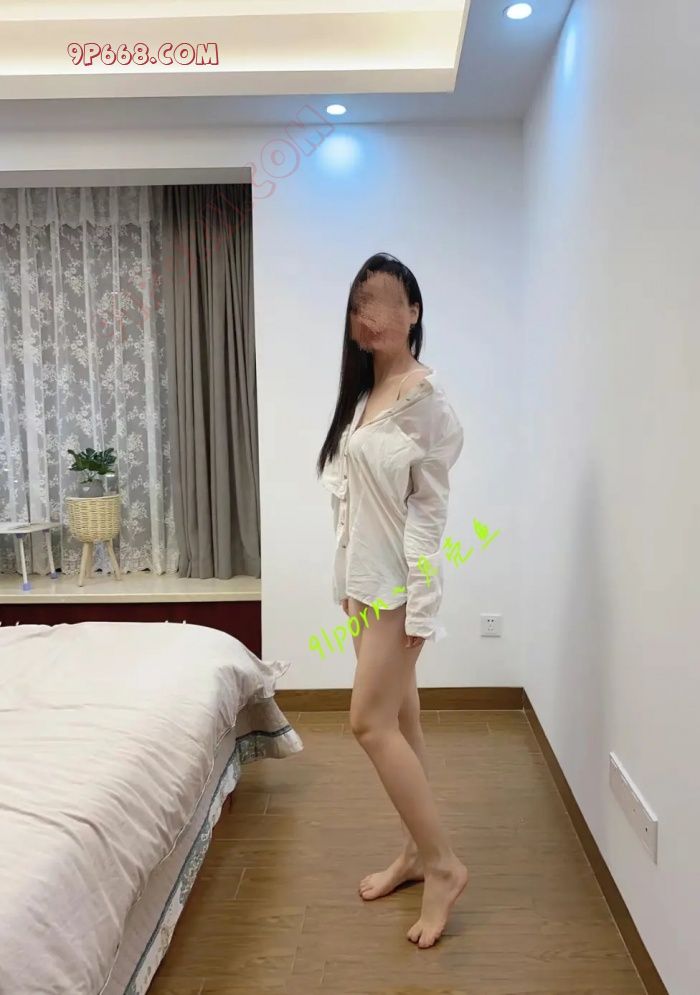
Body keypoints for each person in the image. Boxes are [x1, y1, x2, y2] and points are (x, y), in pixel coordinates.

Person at [317, 252, 468, 948]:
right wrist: (347, 584)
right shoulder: (364, 396)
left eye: (382, 300)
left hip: (396, 592)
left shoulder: (425, 402)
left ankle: (443, 865)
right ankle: (413, 852)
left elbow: (428, 515)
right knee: (403, 723)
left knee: (367, 724)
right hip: (364, 587)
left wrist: (422, 606)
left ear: (413, 311)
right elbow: (354, 502)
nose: (369, 314)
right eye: (359, 304)